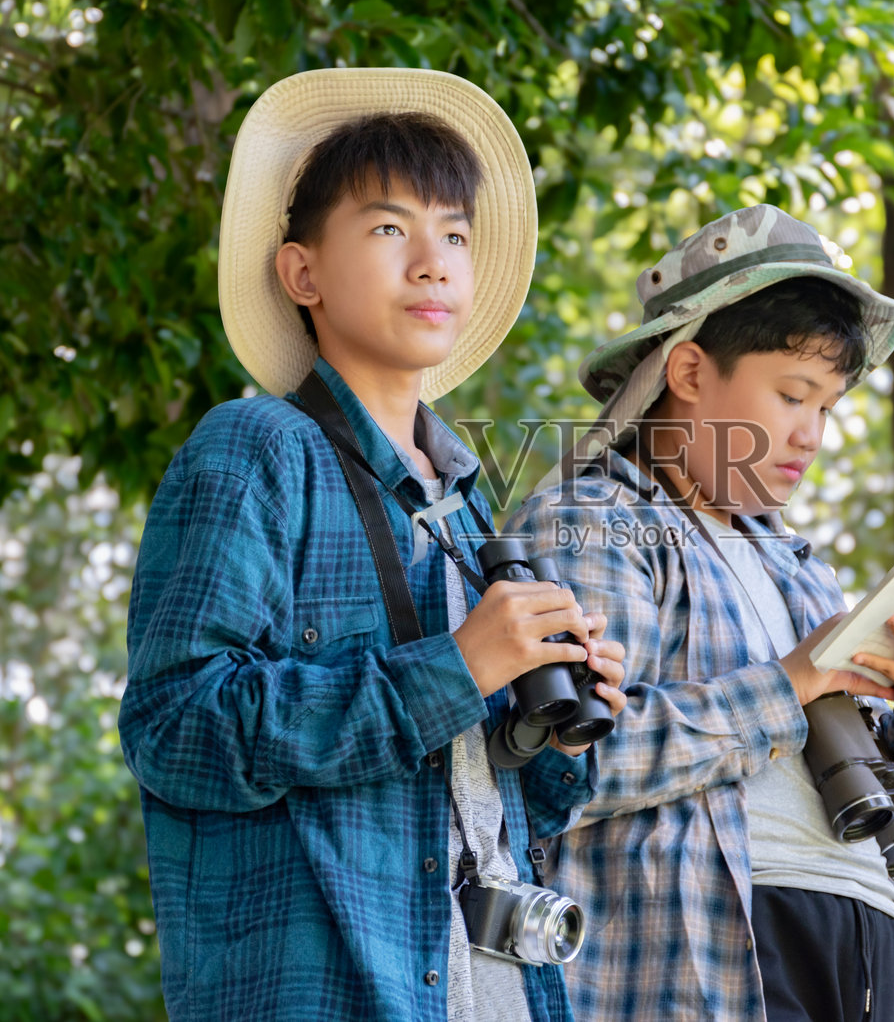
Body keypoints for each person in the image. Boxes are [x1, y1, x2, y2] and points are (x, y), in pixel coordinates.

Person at [119, 68, 625, 1022]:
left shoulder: (473, 516)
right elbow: (174, 727)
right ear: (302, 272)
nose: (433, 260)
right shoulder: (257, 446)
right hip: (334, 992)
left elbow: (512, 807)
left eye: (457, 236)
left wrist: (560, 720)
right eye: (391, 229)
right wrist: (454, 667)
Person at [505, 204, 894, 1021]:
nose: (811, 434)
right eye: (792, 394)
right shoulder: (596, 518)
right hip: (721, 950)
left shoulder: (803, 571)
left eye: (827, 407)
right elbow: (565, 769)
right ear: (687, 371)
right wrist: (786, 687)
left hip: (870, 949)